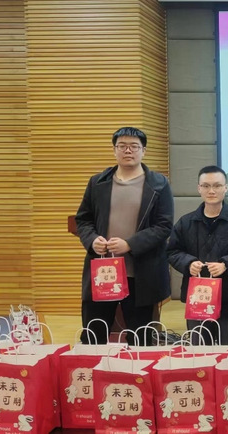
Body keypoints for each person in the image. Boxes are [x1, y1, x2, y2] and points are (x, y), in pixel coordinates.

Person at [75, 127, 174, 344]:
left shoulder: (159, 184)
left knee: (140, 339)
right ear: (114, 150)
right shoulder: (97, 183)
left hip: (141, 273)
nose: (128, 150)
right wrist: (92, 240)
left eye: (134, 146)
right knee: (94, 334)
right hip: (103, 272)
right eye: (122, 146)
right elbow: (83, 220)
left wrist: (130, 244)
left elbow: (164, 226)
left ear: (143, 151)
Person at [167, 166, 228, 345]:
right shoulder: (185, 222)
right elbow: (172, 251)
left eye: (217, 185)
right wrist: (188, 263)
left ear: (225, 188)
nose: (211, 191)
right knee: (199, 348)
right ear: (199, 188)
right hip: (197, 297)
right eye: (206, 186)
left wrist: (226, 264)